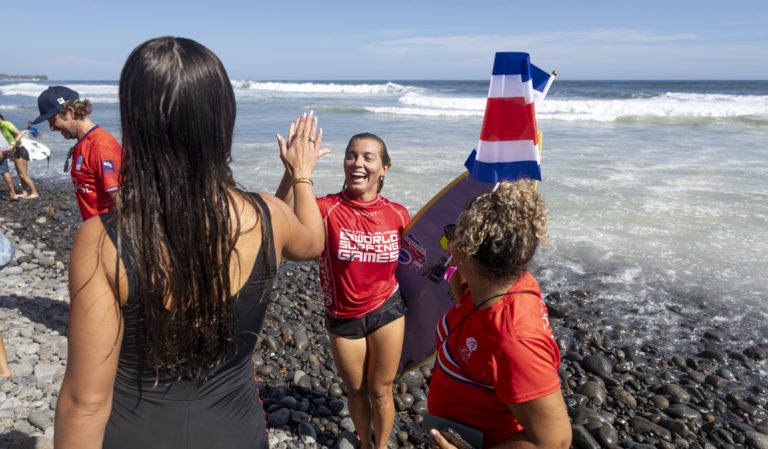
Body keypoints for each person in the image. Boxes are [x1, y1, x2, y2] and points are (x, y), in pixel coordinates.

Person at [53, 36, 326, 449]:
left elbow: (86, 402)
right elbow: (313, 242)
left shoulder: (103, 239)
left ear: (136, 121)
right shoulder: (268, 215)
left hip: (137, 434)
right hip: (236, 432)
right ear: (223, 118)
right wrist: (301, 175)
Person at [276, 132, 410, 449]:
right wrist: (294, 172)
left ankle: (381, 446)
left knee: (382, 389)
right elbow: (279, 217)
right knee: (356, 391)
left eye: (368, 157)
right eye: (351, 155)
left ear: (385, 168)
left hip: (388, 309)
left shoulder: (399, 215)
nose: (357, 163)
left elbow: (420, 265)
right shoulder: (325, 209)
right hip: (344, 316)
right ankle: (364, 443)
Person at [427, 180, 571, 449]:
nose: (449, 242)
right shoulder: (505, 280)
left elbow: (556, 441)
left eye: (454, 234)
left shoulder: (516, 341)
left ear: (467, 252)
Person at [30, 86, 122, 220]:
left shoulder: (101, 145)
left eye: (52, 120)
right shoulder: (82, 144)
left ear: (70, 111)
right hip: (94, 231)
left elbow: (122, 200)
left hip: (108, 234)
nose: (51, 128)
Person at [0, 113, 38, 199]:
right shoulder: (1, 127)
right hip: (15, 151)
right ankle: (25, 192)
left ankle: (34, 192)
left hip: (20, 150)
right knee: (20, 174)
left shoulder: (6, 124)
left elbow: (20, 134)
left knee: (23, 174)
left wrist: (12, 144)